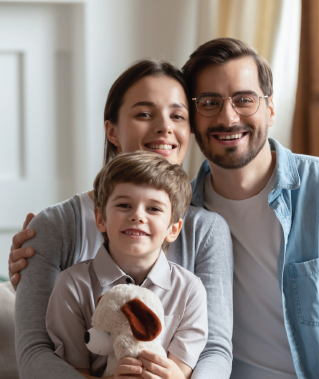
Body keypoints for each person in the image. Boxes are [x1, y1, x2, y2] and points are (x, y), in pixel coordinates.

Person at [180, 38, 319, 379]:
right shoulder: (177, 220)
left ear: (269, 108)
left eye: (244, 100)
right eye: (209, 102)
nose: (227, 116)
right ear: (193, 117)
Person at [10, 60, 233, 379]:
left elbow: (214, 349)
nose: (164, 127)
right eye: (144, 114)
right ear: (112, 130)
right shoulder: (55, 226)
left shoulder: (207, 230)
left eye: (178, 115)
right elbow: (34, 352)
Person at [46, 151, 208, 379]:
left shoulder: (190, 291)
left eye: (154, 209)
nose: (137, 216)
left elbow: (181, 371)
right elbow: (73, 372)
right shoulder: (72, 285)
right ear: (101, 219)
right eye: (124, 205)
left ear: (173, 229)